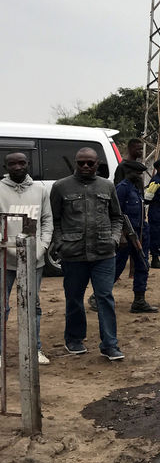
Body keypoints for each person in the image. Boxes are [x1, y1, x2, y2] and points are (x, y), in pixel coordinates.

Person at [50, 148, 124, 360]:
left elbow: (117, 217)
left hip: (103, 253)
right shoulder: (61, 187)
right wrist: (60, 243)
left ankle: (110, 344)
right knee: (74, 299)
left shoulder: (107, 186)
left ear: (97, 163)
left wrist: (113, 239)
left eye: (89, 163)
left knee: (105, 298)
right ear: (76, 162)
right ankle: (74, 339)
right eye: (81, 162)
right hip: (73, 254)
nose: (85, 166)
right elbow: (54, 219)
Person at [0, 152, 53, 365]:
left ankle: (34, 349)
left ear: (28, 164)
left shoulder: (40, 190)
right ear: (6, 166)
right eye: (12, 163)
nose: (17, 167)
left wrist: (41, 248)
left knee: (32, 305)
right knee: (1, 306)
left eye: (21, 163)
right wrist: (12, 248)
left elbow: (47, 220)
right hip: (4, 260)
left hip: (34, 260)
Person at [114, 161, 158, 313]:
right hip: (127, 236)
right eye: (137, 173)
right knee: (117, 266)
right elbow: (116, 214)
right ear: (129, 173)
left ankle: (139, 300)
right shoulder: (122, 189)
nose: (140, 176)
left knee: (142, 266)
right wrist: (121, 235)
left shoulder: (136, 188)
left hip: (140, 234)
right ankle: (99, 296)